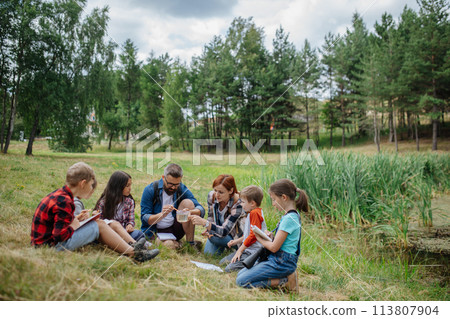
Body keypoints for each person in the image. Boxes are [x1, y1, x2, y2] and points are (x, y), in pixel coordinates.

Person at [31, 162, 159, 263]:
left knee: (99, 223)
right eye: (91, 184)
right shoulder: (65, 201)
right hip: (50, 247)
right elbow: (60, 236)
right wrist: (74, 226)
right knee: (99, 225)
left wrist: (78, 220)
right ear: (83, 183)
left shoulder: (61, 195)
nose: (92, 188)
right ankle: (134, 253)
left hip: (47, 243)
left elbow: (58, 224)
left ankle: (134, 249)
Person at [235, 179, 308, 292]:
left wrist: (260, 238)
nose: (273, 203)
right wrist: (271, 237)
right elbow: (283, 241)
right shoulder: (290, 215)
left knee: (241, 281)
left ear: (284, 197)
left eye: (274, 199)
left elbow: (274, 247)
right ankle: (284, 277)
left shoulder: (289, 218)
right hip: (277, 259)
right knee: (241, 274)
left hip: (282, 262)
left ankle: (285, 281)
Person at [140, 163, 205, 249]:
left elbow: (200, 208)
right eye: (170, 184)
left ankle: (190, 243)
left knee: (188, 203)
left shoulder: (181, 188)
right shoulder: (150, 190)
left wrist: (191, 212)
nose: (173, 188)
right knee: (168, 245)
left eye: (176, 184)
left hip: (175, 228)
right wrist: (162, 215)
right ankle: (178, 245)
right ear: (163, 178)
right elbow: (145, 218)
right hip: (156, 232)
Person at [190, 174, 245, 256]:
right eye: (215, 190)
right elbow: (211, 216)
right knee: (209, 254)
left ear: (230, 191)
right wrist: (209, 228)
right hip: (219, 231)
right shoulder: (211, 196)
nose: (217, 195)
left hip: (235, 238)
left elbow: (224, 231)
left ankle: (233, 248)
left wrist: (206, 224)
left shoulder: (238, 204)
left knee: (213, 237)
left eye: (221, 192)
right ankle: (224, 247)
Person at [219, 185, 266, 272]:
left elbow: (253, 236)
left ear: (252, 203)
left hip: (253, 252)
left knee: (229, 269)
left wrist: (240, 250)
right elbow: (248, 234)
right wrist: (236, 241)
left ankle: (255, 264)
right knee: (222, 262)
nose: (241, 204)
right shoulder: (251, 212)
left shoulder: (255, 214)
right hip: (247, 250)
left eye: (243, 202)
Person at [95, 171, 148, 245]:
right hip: (109, 234)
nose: (130, 188)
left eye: (130, 185)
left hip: (124, 233)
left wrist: (130, 225)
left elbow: (131, 220)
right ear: (118, 187)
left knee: (139, 234)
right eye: (127, 186)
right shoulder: (104, 202)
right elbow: (99, 223)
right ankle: (134, 245)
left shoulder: (129, 202)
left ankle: (131, 243)